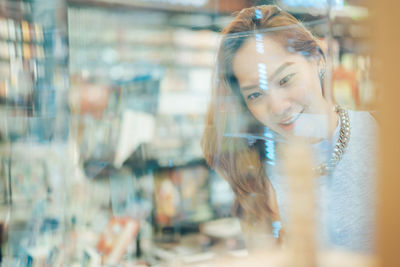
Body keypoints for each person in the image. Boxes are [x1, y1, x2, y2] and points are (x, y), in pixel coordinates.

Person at [201, 5, 377, 253]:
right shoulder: (256, 175)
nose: (277, 107)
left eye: (285, 79)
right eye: (255, 94)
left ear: (317, 60)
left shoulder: (383, 132)